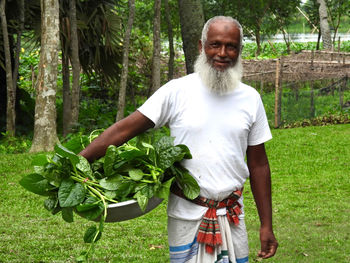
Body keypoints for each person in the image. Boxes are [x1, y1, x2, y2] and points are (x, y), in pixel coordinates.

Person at [80, 16, 278, 263]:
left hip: (232, 215)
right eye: (215, 44)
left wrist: (266, 225)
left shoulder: (250, 98)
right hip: (187, 215)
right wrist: (77, 162)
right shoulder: (176, 92)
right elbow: (124, 130)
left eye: (231, 46)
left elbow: (259, 165)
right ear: (201, 46)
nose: (223, 53)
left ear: (239, 50)